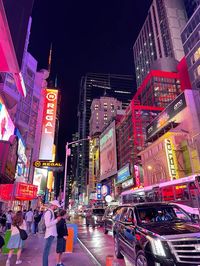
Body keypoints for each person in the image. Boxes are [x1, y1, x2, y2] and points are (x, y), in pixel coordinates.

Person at [43, 200, 61, 266]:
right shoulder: (48, 213)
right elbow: (47, 225)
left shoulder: (51, 212)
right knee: (46, 252)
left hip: (51, 234)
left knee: (47, 252)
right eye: (56, 206)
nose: (56, 207)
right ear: (53, 205)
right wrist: (57, 220)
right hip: (49, 234)